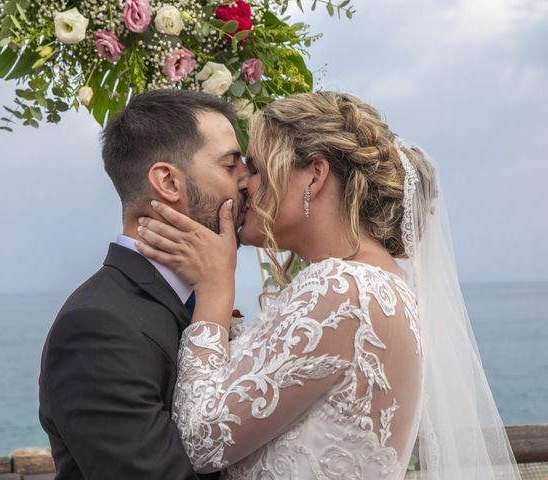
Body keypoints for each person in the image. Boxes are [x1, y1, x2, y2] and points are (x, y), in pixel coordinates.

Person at [136, 91, 521, 479]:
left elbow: (201, 441)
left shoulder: (341, 288)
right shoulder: (381, 284)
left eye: (255, 168)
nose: (244, 185)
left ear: (315, 176)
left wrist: (215, 289)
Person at [38, 89, 249, 480]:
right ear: (168, 181)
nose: (248, 181)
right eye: (230, 165)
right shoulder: (97, 327)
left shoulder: (199, 300)